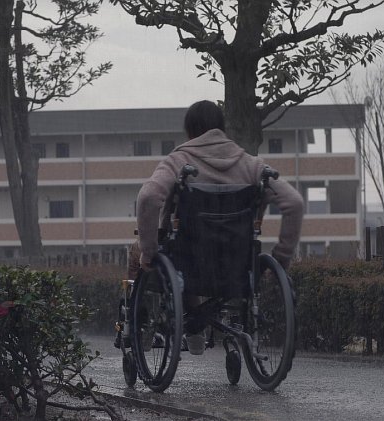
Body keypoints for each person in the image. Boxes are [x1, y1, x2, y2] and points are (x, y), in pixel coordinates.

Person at [127, 100, 305, 355]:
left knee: (144, 253)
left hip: (189, 262)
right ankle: (196, 329)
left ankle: (143, 329)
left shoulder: (178, 161)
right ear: (222, 129)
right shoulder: (252, 165)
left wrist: (148, 251)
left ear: (190, 132)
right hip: (237, 266)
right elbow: (294, 203)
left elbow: (147, 198)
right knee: (188, 259)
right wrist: (282, 258)